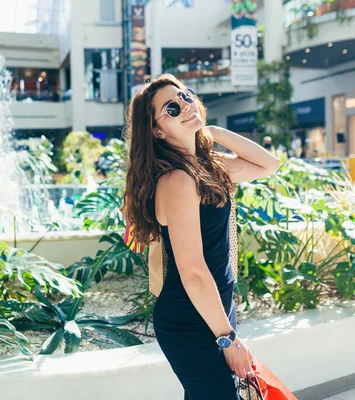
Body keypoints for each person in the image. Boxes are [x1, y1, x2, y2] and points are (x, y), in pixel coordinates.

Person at [122, 74, 280, 399]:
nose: (185, 104)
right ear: (157, 130)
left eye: (185, 96)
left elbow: (269, 164)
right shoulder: (177, 181)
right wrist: (228, 340)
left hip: (215, 309)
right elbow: (193, 272)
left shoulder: (207, 166)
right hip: (189, 321)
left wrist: (213, 131)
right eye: (172, 108)